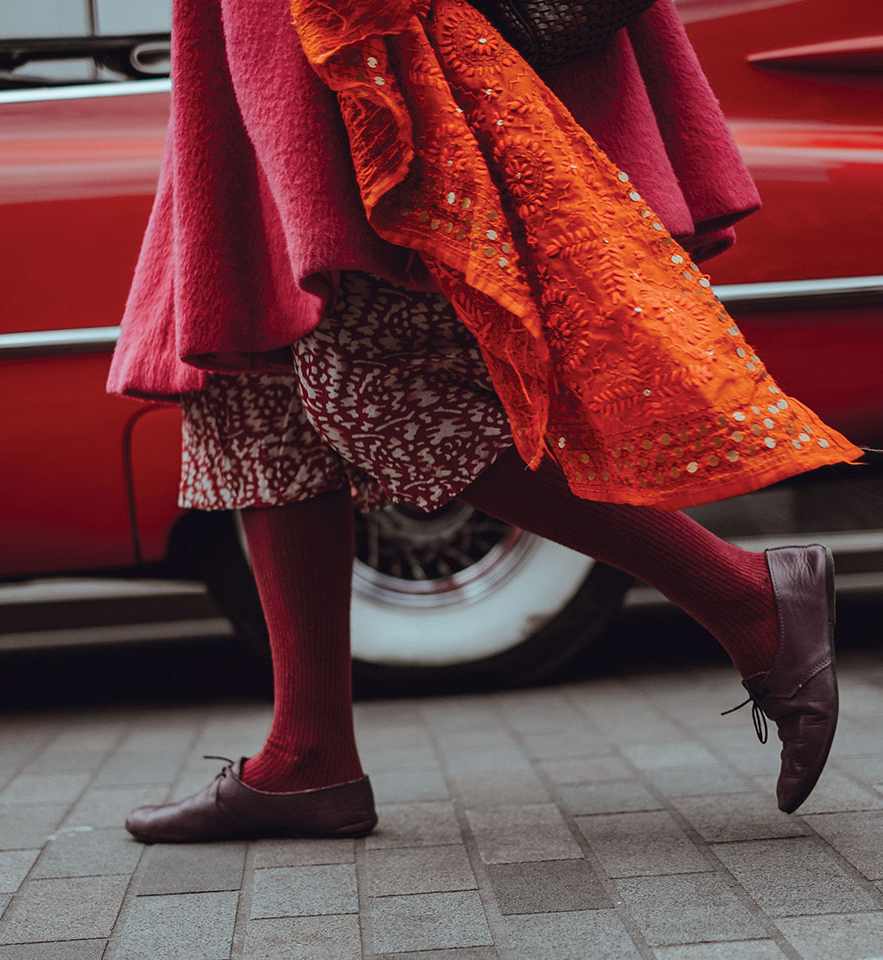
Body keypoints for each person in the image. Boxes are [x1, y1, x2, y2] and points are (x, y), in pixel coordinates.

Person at [110, 0, 862, 843]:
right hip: (255, 62)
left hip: (367, 49)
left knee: (378, 398)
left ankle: (749, 598)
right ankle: (306, 756)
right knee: (258, 395)